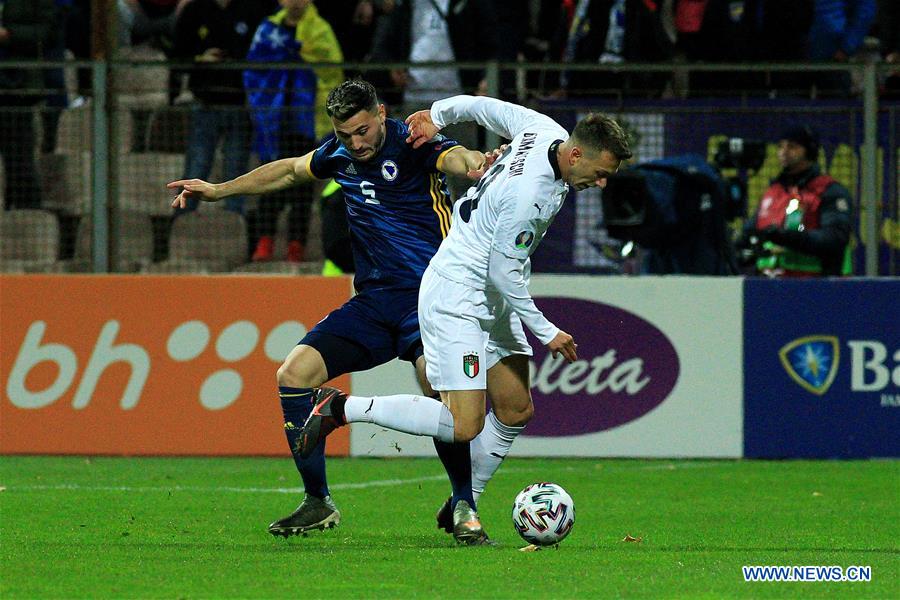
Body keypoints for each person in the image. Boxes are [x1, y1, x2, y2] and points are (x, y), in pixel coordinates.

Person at [296, 94, 632, 544]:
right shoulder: (529, 195)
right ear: (576, 154)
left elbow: (483, 106)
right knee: (463, 425)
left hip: (490, 295)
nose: (602, 183)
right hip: (459, 293)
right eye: (601, 173)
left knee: (515, 409)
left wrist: (436, 116)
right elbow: (503, 271)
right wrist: (548, 331)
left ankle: (462, 499)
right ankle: (338, 408)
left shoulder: (542, 129)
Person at [168, 79, 496, 537]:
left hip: (431, 299)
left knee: (439, 390)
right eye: (345, 135)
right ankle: (317, 501)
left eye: (362, 130)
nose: (356, 143)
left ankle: (464, 504)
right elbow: (288, 171)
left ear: (381, 113)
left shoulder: (414, 142)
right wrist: (220, 190)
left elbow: (458, 159)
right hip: (373, 303)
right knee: (293, 374)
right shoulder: (339, 154)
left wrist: (480, 164)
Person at [244, 0, 344, 263]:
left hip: (306, 123)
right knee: (269, 184)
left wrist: (300, 55)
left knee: (301, 185)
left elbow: (333, 70)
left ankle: (295, 246)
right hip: (273, 125)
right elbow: (254, 69)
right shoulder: (267, 30)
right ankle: (264, 243)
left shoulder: (320, 30)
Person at [171, 0, 273, 216]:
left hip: (240, 107)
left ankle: (234, 234)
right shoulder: (194, 10)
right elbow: (178, 56)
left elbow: (262, 55)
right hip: (205, 105)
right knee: (195, 171)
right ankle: (179, 228)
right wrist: (201, 59)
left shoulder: (253, 10)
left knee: (236, 177)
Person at [738, 125, 852, 277]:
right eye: (780, 146)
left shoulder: (829, 191)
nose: (783, 152)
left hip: (816, 286)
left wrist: (789, 237)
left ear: (809, 151)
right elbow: (749, 234)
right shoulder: (773, 192)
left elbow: (834, 238)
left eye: (792, 147)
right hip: (767, 285)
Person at [0, 0, 63, 210]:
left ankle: (25, 212)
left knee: (19, 158)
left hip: (17, 85)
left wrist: (8, 34)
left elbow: (45, 33)